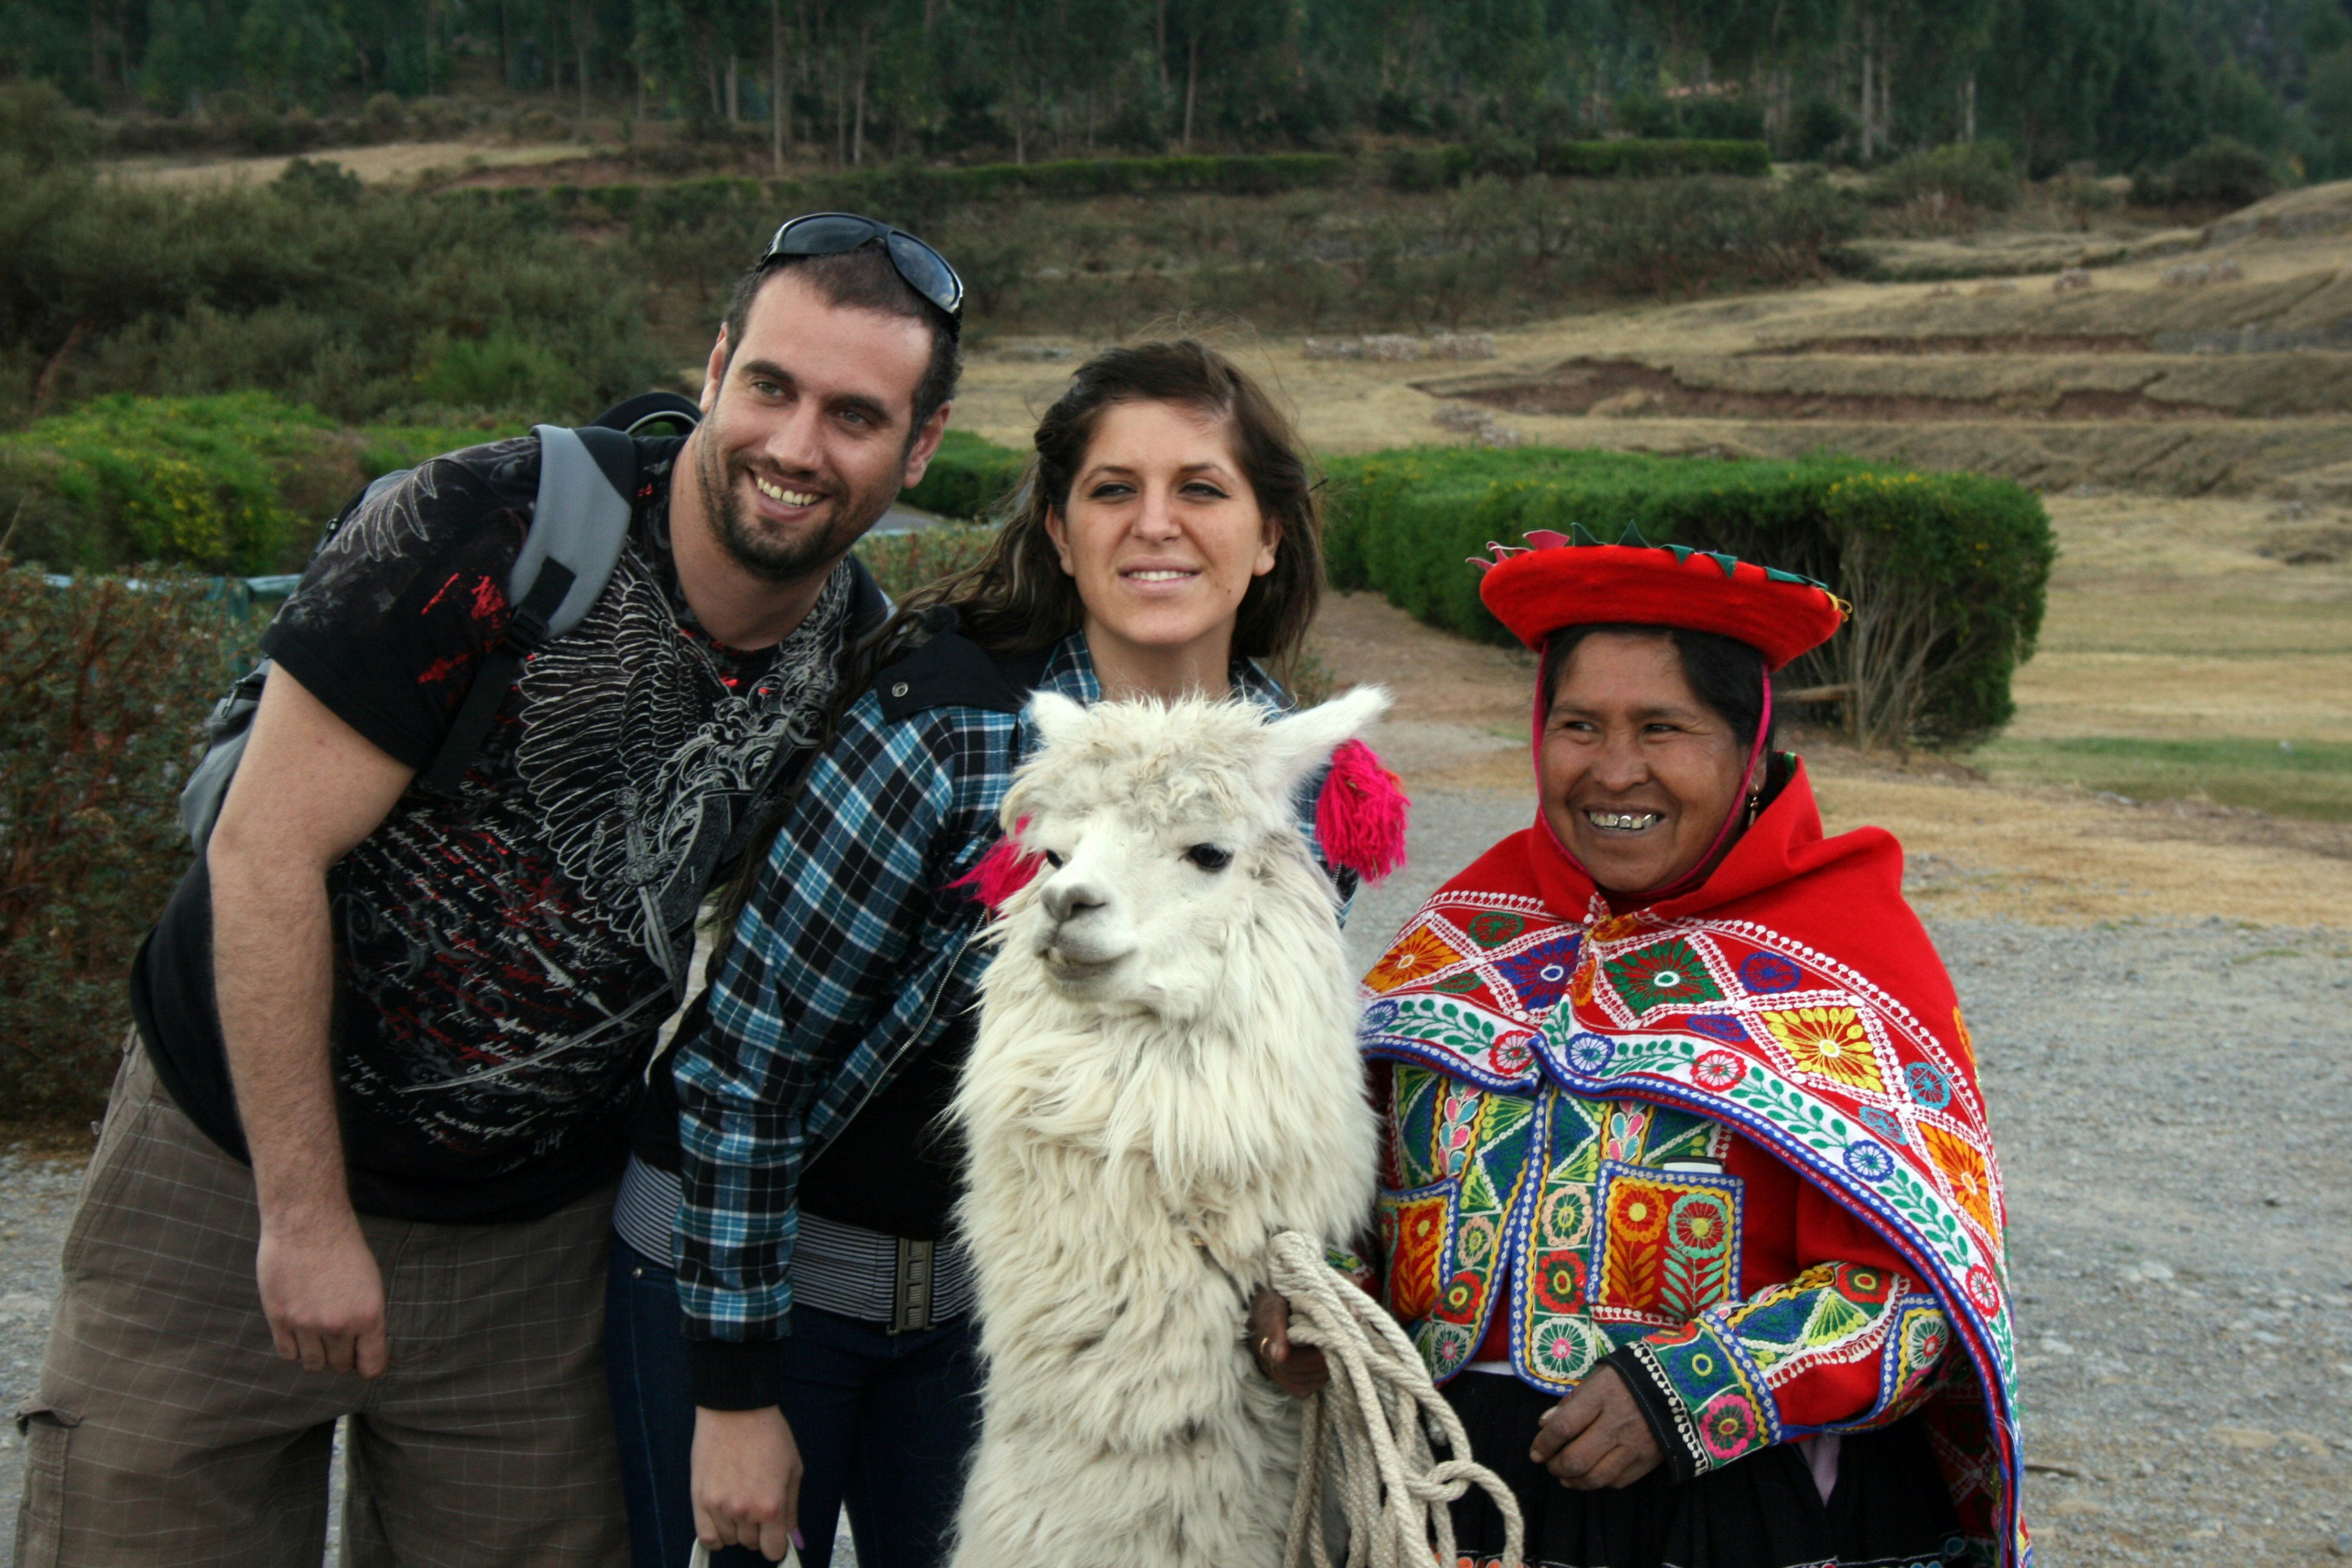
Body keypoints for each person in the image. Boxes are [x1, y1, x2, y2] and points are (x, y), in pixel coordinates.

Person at [13, 212, 962, 1567]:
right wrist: (303, 1218)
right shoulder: (476, 522)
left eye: (856, 415)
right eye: (771, 386)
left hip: (528, 1250)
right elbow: (262, 853)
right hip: (228, 1178)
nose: (797, 446)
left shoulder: (859, 662)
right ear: (713, 370)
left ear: (918, 449)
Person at [624, 338, 1387, 1568]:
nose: (1157, 528)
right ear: (1058, 524)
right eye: (1111, 491)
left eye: (1201, 489)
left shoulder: (1289, 787)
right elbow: (745, 1063)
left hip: (1014, 1307)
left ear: (1270, 535)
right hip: (771, 1281)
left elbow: (1258, 1076)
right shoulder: (952, 739)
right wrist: (734, 1390)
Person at [1264, 533, 2027, 1567]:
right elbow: (1352, 1185)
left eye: (1663, 728)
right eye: (1580, 726)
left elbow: (1917, 1301)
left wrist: (1692, 1394)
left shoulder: (1851, 962)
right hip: (1442, 1502)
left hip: (1720, 1514)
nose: (1615, 770)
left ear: (1749, 748)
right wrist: (1324, 1290)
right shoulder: (1466, 932)